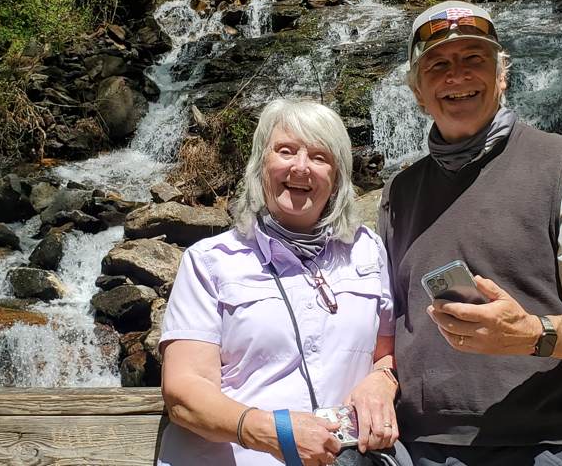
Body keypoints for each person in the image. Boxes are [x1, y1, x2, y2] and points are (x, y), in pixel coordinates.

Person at [377, 1, 562, 466]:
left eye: (474, 59)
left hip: (539, 447)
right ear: (418, 91)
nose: (457, 76)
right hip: (416, 448)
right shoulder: (399, 192)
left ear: (502, 75)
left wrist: (533, 333)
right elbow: (386, 320)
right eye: (438, 65)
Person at [158, 99, 400, 466]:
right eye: (286, 151)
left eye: (320, 157)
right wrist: (275, 433)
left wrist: (383, 380)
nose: (300, 167)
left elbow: (385, 352)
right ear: (260, 165)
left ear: (337, 178)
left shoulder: (367, 250)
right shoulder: (210, 261)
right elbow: (184, 392)